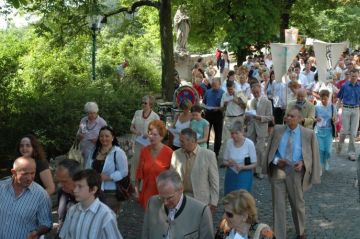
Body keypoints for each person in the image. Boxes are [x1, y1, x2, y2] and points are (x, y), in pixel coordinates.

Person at [264, 105, 321, 239]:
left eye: (292, 116)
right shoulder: (278, 130)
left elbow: (313, 156)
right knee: (278, 205)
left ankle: (300, 232)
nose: (288, 118)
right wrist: (277, 161)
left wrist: (303, 163)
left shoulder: (308, 134)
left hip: (295, 173)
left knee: (298, 204)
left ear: (300, 119)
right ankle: (279, 235)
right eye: (287, 115)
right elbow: (270, 152)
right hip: (278, 171)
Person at [141, 170, 214, 239]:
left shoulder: (201, 211)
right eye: (162, 197)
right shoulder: (152, 202)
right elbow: (145, 235)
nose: (165, 203)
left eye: (169, 198)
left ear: (181, 189)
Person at [59, 169, 123, 239]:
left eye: (80, 186)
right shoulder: (72, 211)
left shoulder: (106, 215)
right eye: (75, 186)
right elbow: (64, 236)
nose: (75, 190)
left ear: (93, 189)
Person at [0, 157, 52, 239]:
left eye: (32, 173)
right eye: (25, 174)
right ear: (14, 172)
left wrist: (36, 232)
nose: (29, 178)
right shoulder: (1, 187)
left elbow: (46, 223)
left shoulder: (41, 195)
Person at [170, 128, 219, 212]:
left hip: (201, 200)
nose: (179, 143)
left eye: (182, 141)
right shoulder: (176, 154)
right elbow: (171, 178)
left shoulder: (209, 155)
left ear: (192, 141)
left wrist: (214, 202)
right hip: (181, 198)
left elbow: (214, 181)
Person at [86, 126, 128, 214]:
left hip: (110, 192)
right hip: (94, 191)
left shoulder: (118, 152)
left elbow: (124, 171)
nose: (104, 138)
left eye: (107, 136)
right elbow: (87, 168)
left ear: (112, 138)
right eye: (101, 136)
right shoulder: (94, 151)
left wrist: (109, 177)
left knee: (108, 219)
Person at [135, 120, 173, 209]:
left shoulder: (169, 153)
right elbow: (139, 173)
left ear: (162, 136)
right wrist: (137, 190)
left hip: (163, 194)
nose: (151, 137)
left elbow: (172, 177)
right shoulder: (144, 151)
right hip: (147, 192)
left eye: (155, 135)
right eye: (150, 133)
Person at [246, 83, 273, 179]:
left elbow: (270, 117)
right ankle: (252, 169)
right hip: (252, 128)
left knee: (260, 150)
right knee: (251, 149)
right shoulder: (251, 101)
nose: (255, 94)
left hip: (262, 128)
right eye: (254, 92)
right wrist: (248, 117)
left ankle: (260, 170)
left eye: (257, 92)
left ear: (260, 90)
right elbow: (249, 115)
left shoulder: (267, 102)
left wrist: (259, 117)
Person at [130, 95, 160, 181]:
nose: (143, 104)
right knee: (135, 164)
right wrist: (137, 132)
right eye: (142, 102)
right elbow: (131, 128)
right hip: (137, 143)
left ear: (151, 104)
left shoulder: (155, 117)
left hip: (149, 144)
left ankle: (143, 185)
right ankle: (134, 183)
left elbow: (158, 133)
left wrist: (150, 134)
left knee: (146, 165)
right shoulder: (137, 113)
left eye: (145, 103)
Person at [223, 120, 257, 194]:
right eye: (232, 133)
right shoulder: (229, 142)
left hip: (244, 173)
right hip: (231, 173)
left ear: (242, 132)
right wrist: (229, 163)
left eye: (236, 133)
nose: (234, 136)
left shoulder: (249, 144)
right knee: (230, 196)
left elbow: (254, 164)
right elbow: (224, 161)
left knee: (242, 197)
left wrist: (242, 167)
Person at [336, 69, 360, 161]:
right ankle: (339, 145)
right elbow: (339, 99)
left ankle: (351, 153)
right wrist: (336, 110)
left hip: (356, 109)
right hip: (346, 108)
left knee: (353, 133)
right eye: (352, 76)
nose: (354, 77)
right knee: (345, 131)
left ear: (358, 76)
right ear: (349, 76)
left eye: (355, 76)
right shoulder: (344, 86)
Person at [55, 159, 82, 233]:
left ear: (77, 178)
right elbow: (61, 219)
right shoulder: (62, 191)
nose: (59, 185)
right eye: (59, 181)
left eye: (64, 181)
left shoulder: (92, 195)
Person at [77, 102, 107, 166]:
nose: (92, 115)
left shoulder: (102, 122)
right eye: (90, 113)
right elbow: (78, 133)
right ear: (87, 113)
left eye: (94, 113)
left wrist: (98, 140)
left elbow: (108, 137)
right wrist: (80, 135)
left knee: (91, 170)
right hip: (82, 150)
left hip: (95, 151)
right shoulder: (83, 120)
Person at [315, 90, 336, 175]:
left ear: (328, 98)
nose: (324, 101)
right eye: (322, 99)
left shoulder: (332, 106)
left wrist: (334, 119)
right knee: (320, 149)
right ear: (320, 98)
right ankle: (320, 167)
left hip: (329, 130)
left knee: (328, 150)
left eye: (326, 99)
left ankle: (326, 161)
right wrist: (316, 119)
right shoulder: (316, 107)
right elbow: (313, 118)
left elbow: (335, 118)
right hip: (319, 130)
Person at [203, 77, 225, 157]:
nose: (214, 86)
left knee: (218, 135)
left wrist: (218, 108)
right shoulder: (207, 92)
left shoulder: (223, 93)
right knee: (206, 134)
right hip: (208, 114)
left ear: (219, 84)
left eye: (215, 85)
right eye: (213, 84)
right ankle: (206, 152)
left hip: (218, 115)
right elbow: (204, 102)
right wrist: (205, 107)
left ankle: (216, 154)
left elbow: (224, 106)